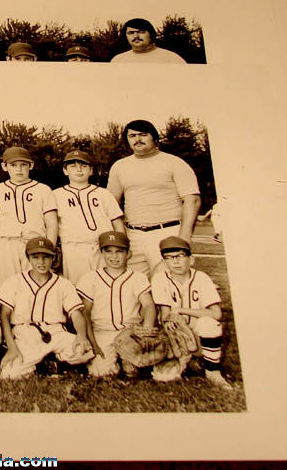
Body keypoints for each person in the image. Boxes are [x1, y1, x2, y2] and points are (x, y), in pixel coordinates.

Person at [106, 119, 201, 276]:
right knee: (133, 290)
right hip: (132, 236)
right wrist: (119, 236)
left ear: (155, 138)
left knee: (169, 288)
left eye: (143, 135)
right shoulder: (119, 166)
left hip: (167, 232)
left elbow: (193, 200)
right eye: (132, 136)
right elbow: (110, 203)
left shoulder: (174, 163)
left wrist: (184, 237)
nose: (137, 139)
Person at [0, 237, 94, 379]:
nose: (41, 262)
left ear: (53, 258)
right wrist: (11, 346)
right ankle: (47, 364)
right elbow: (4, 315)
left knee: (85, 352)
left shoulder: (63, 283)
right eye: (36, 257)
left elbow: (76, 313)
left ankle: (52, 362)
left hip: (56, 331)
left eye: (46, 257)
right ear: (28, 258)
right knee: (9, 374)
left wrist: (81, 335)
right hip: (25, 332)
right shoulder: (15, 281)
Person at [150, 237, 232, 388]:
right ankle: (190, 360)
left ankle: (212, 371)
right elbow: (166, 315)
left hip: (200, 337)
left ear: (191, 259)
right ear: (164, 262)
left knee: (209, 323)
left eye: (180, 256)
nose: (175, 262)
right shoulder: (159, 279)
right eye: (168, 258)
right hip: (177, 338)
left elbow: (216, 314)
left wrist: (181, 310)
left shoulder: (202, 278)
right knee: (164, 377)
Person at [77, 231, 156, 378]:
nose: (114, 257)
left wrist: (146, 331)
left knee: (134, 370)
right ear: (101, 253)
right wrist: (93, 343)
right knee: (102, 372)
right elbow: (85, 313)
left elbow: (149, 306)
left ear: (129, 254)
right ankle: (115, 361)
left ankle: (127, 362)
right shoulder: (91, 278)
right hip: (102, 332)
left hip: (130, 332)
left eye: (119, 252)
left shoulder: (138, 277)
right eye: (109, 252)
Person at [52, 150, 125, 286]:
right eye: (73, 166)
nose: (79, 169)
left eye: (83, 166)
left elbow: (117, 222)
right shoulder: (56, 195)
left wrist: (123, 246)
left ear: (91, 170)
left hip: (104, 248)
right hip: (74, 248)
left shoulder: (104, 194)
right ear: (65, 170)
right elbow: (52, 225)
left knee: (107, 287)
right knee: (78, 289)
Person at [0, 147, 58, 287]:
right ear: (4, 166)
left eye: (23, 165)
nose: (19, 169)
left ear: (31, 165)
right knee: (6, 286)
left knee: (36, 285)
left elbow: (52, 224)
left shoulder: (43, 189)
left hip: (35, 243)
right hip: (6, 243)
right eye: (13, 165)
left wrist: (50, 249)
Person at [110, 18, 186, 64]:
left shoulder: (171, 59)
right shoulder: (118, 60)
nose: (136, 36)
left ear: (151, 34)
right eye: (131, 33)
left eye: (141, 32)